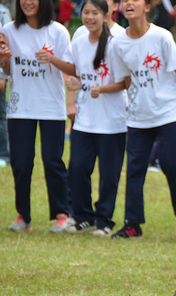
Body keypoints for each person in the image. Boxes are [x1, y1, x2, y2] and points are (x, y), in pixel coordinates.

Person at [111, 0, 176, 238]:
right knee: (134, 170)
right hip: (138, 118)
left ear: (147, 7)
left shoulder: (161, 36)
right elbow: (126, 78)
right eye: (125, 1)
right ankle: (133, 224)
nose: (129, 3)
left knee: (175, 165)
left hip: (169, 113)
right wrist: (135, 103)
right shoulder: (119, 43)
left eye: (135, 0)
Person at [1, 0, 76, 232]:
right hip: (20, 107)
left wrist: (51, 59)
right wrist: (4, 60)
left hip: (50, 107)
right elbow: (8, 70)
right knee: (21, 164)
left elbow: (73, 69)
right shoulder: (9, 30)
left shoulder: (58, 31)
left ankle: (62, 214)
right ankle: (24, 216)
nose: (27, 2)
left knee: (53, 162)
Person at [65, 0, 127, 236]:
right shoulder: (79, 42)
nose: (89, 17)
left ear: (106, 15)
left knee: (109, 175)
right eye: (86, 13)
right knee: (78, 168)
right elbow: (79, 76)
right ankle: (83, 216)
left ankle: (104, 220)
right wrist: (77, 85)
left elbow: (124, 83)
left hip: (112, 121)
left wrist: (102, 89)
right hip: (85, 119)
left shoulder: (115, 44)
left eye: (95, 13)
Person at [0, 3, 11, 169]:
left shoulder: (3, 12)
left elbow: (6, 45)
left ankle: (4, 154)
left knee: (1, 115)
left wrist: (2, 75)